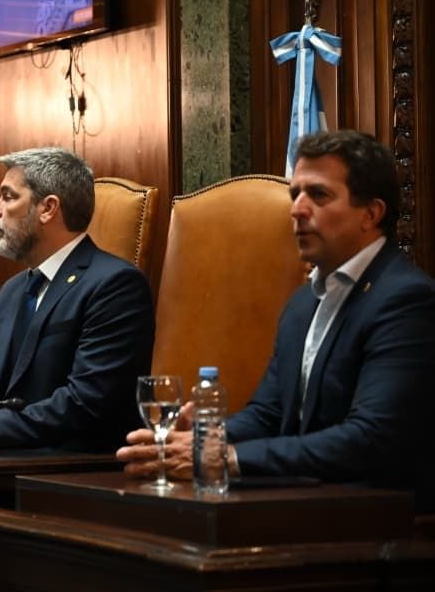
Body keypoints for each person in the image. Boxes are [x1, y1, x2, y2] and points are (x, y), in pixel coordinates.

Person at [117, 130, 435, 511]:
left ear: (371, 213)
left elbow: (371, 439)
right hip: (300, 504)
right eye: (295, 194)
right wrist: (205, 438)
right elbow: (268, 414)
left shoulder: (405, 300)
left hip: (380, 520)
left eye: (318, 195)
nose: (297, 210)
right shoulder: (303, 302)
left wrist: (229, 458)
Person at [0, 147, 155, 450]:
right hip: (8, 457)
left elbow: (84, 402)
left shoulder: (115, 284)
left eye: (8, 197)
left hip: (76, 465)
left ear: (48, 208)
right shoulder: (13, 291)